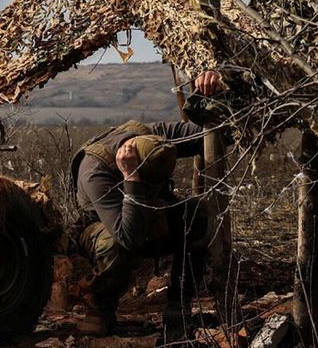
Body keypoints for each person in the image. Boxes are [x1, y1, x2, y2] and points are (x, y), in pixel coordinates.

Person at [70, 69, 225, 337]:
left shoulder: (153, 137)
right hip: (106, 228)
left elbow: (214, 133)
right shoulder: (96, 169)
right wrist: (132, 177)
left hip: (152, 214)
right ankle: (100, 308)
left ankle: (179, 306)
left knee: (198, 213)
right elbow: (129, 236)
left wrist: (208, 94)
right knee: (113, 243)